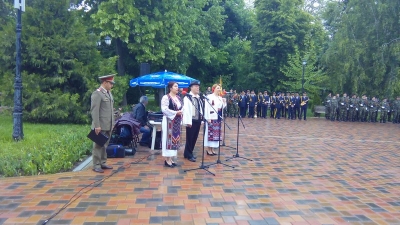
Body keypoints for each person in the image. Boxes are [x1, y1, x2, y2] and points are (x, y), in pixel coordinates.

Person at [90, 74, 115, 173]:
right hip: (100, 125)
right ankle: (96, 164)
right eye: (110, 83)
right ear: (105, 82)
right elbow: (94, 111)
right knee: (98, 145)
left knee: (105, 144)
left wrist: (112, 123)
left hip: (108, 124)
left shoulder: (108, 93)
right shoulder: (97, 93)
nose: (112, 85)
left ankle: (103, 162)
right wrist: (97, 125)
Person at [161, 81, 183, 167]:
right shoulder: (166, 97)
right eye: (175, 86)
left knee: (175, 139)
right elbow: (164, 109)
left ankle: (171, 158)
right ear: (170, 88)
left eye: (177, 86)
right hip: (168, 121)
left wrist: (181, 112)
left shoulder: (178, 98)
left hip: (177, 121)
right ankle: (167, 159)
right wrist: (175, 112)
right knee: (168, 139)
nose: (177, 88)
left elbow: (182, 107)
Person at [182, 81, 203, 162]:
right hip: (191, 121)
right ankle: (189, 154)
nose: (198, 88)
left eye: (198, 86)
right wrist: (188, 122)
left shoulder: (198, 97)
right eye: (196, 86)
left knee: (194, 137)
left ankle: (188, 153)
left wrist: (201, 119)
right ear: (191, 87)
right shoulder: (188, 97)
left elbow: (201, 108)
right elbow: (186, 110)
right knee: (190, 138)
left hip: (198, 120)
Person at [204, 84, 226, 155]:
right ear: (214, 89)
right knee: (211, 133)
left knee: (216, 134)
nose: (219, 89)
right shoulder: (209, 97)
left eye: (220, 88)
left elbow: (222, 107)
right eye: (218, 88)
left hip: (218, 116)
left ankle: (213, 148)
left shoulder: (220, 97)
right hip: (212, 116)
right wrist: (208, 117)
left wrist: (224, 102)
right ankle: (208, 149)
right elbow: (207, 107)